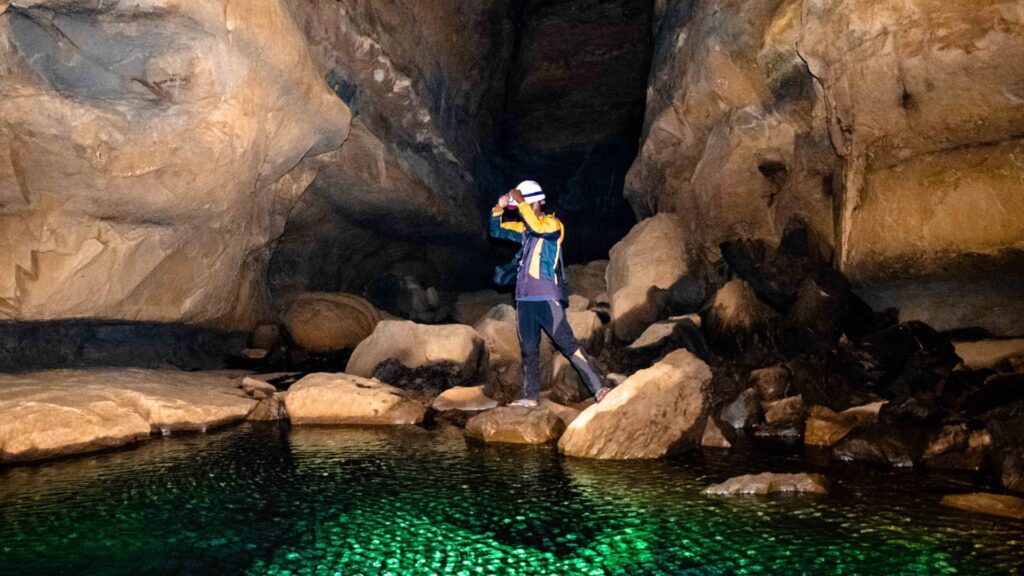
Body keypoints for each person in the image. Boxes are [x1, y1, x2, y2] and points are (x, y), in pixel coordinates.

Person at [490, 180, 611, 407]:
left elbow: (537, 227)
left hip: (546, 297)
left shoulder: (552, 225)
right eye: (519, 206)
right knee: (529, 350)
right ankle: (530, 397)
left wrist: (520, 201)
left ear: (536, 203)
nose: (520, 210)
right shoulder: (524, 229)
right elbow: (496, 231)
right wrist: (498, 209)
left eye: (524, 204)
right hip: (524, 300)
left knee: (567, 344)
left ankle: (599, 387)